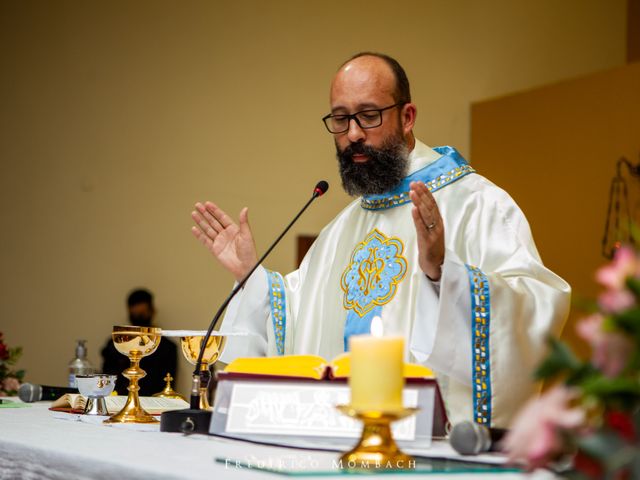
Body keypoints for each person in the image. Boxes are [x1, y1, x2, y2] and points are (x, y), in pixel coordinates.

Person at [190, 52, 571, 428]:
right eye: (340, 119)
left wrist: (445, 274)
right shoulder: (341, 228)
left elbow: (536, 306)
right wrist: (252, 278)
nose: (353, 134)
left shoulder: (478, 205)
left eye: (369, 116)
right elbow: (298, 317)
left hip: (431, 452)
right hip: (335, 442)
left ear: (407, 117)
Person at [101, 288, 178, 396]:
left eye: (142, 315)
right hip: (118, 401)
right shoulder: (115, 345)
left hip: (153, 404)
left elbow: (167, 386)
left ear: (153, 311)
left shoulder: (167, 348)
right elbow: (108, 380)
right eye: (135, 315)